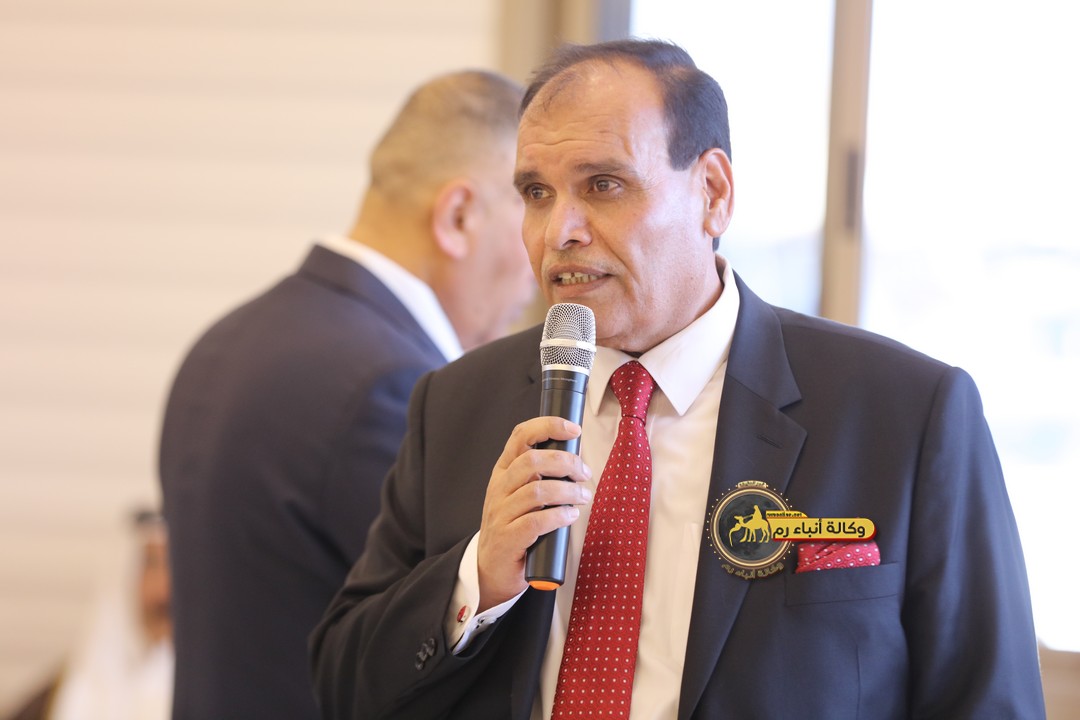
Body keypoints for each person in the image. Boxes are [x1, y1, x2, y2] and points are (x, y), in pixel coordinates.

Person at [310, 40, 1046, 719]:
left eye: (603, 184)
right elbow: (343, 684)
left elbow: (988, 702)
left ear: (713, 193)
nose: (559, 231)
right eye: (535, 193)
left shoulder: (904, 415)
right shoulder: (457, 403)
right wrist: (477, 577)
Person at [158, 70, 535, 720]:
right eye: (532, 203)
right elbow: (423, 642)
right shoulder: (393, 387)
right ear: (459, 216)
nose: (540, 263)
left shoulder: (226, 339)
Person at [6, 509, 173, 720]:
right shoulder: (62, 690)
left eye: (175, 567)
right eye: (151, 564)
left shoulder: (210, 690)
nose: (163, 590)